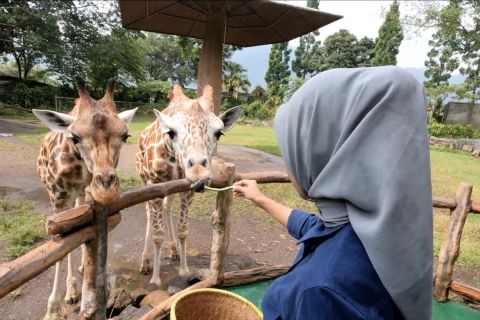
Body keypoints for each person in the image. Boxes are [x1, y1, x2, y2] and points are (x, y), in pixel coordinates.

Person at [233, 66, 433, 320]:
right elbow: (313, 226)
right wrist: (260, 199)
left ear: (322, 153)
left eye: (290, 150)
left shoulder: (322, 292)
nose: (286, 165)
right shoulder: (381, 235)